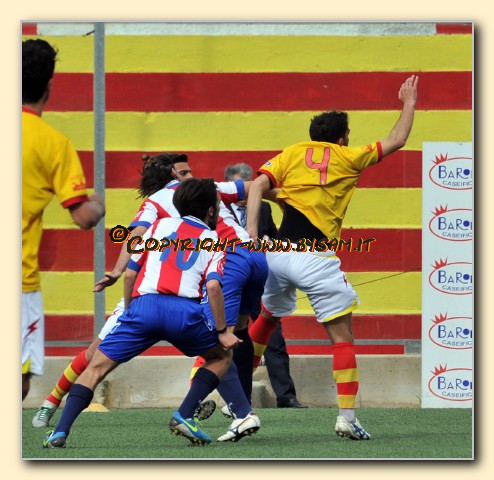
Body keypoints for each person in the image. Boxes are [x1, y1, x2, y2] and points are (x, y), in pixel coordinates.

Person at [246, 75, 419, 440]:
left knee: (267, 317)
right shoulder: (348, 156)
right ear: (342, 139)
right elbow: (397, 139)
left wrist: (251, 231)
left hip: (279, 255)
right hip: (316, 259)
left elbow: (258, 185)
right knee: (342, 338)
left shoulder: (292, 153)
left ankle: (237, 400)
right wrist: (408, 103)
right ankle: (347, 418)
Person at [43, 178, 256, 448]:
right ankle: (184, 414)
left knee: (95, 368)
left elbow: (130, 274)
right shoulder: (213, 239)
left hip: (144, 308)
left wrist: (129, 311)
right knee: (221, 357)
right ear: (211, 210)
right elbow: (214, 287)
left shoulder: (157, 226)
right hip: (184, 313)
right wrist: (223, 331)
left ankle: (60, 432)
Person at [32, 153, 192, 426]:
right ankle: (51, 403)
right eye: (184, 172)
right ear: (173, 175)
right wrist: (119, 272)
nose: (190, 177)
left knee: (220, 345)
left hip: (184, 290)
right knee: (97, 354)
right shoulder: (167, 200)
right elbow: (135, 237)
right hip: (152, 292)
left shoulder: (197, 196)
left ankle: (218, 407)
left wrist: (117, 271)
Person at [22, 39, 105, 401]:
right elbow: (83, 217)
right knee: (18, 380)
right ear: (49, 85)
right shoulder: (54, 143)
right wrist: (97, 205)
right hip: (19, 279)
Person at [224, 163, 308, 409]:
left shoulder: (263, 207)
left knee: (274, 337)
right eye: (240, 189)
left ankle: (286, 396)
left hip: (260, 281)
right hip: (231, 284)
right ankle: (234, 397)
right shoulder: (218, 210)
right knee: (227, 337)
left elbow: (274, 235)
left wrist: (271, 242)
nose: (245, 195)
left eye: (248, 188)